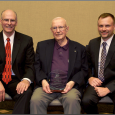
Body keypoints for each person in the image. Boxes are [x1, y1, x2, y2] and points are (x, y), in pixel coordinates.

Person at [30, 17, 88, 114]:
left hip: (69, 88)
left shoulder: (79, 48)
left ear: (67, 29)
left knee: (72, 100)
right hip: (46, 87)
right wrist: (43, 81)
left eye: (61, 27)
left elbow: (84, 70)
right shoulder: (42, 46)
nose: (58, 31)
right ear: (51, 30)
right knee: (35, 100)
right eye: (54, 28)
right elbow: (36, 66)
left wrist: (72, 82)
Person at [0, 9, 35, 114]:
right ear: (1, 21)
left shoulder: (26, 40)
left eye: (12, 20)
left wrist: (26, 80)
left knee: (26, 92)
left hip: (16, 79)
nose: (9, 23)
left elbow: (30, 64)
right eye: (6, 20)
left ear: (16, 22)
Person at [82, 13, 115, 114]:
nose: (103, 29)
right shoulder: (93, 43)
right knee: (86, 101)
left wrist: (108, 89)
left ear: (114, 26)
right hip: (97, 82)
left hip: (114, 82)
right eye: (101, 26)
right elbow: (85, 64)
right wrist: (90, 77)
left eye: (107, 25)